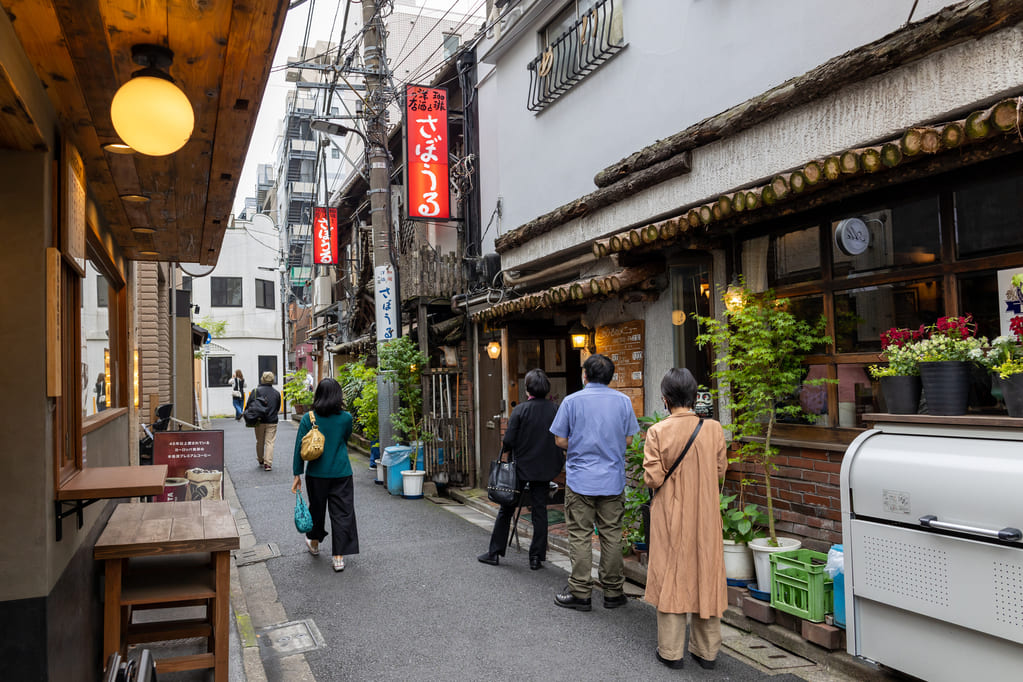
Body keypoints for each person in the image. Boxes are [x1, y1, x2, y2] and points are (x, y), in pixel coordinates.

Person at [642, 368, 728, 670]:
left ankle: (671, 652)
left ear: (665, 400)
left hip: (670, 513)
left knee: (671, 573)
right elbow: (719, 472)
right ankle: (706, 652)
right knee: (706, 571)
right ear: (694, 397)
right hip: (705, 511)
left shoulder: (657, 432)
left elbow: (652, 478)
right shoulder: (715, 429)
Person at [550, 353, 639, 611]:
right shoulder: (623, 401)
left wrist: (580, 446)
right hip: (612, 479)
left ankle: (580, 592)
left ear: (585, 375)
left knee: (580, 535)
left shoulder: (572, 401)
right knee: (611, 536)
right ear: (610, 377)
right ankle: (613, 591)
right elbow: (630, 441)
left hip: (580, 480)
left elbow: (559, 440)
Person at [478, 368, 564, 570]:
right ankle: (536, 558)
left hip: (521, 468)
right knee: (540, 511)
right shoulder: (556, 410)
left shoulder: (520, 410)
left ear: (528, 389)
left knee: (506, 508)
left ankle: (495, 552)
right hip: (545, 468)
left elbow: (508, 441)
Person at [291, 378, 360, 573]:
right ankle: (338, 557)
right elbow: (344, 439)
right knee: (342, 513)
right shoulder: (346, 418)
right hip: (342, 472)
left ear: (318, 394)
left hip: (316, 474)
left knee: (317, 510)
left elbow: (299, 448)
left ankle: (314, 543)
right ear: (338, 395)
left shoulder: (309, 418)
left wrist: (297, 474)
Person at [249, 371, 281, 471]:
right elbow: (277, 407)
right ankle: (268, 464)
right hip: (272, 420)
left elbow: (249, 404)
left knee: (260, 441)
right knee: (270, 442)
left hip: (259, 420)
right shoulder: (276, 393)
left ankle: (260, 459)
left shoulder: (255, 391)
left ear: (262, 379)